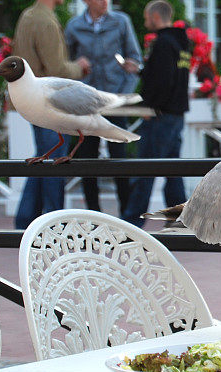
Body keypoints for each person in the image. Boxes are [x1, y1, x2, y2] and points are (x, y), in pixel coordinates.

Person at [12, 0, 91, 229]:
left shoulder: (27, 16)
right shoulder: (45, 21)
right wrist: (80, 66)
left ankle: (25, 221)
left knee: (43, 159)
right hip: (49, 103)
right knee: (55, 163)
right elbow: (57, 69)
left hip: (31, 99)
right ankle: (56, 225)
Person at [65, 0, 142, 214]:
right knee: (87, 161)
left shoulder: (121, 21)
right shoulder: (74, 26)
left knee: (120, 160)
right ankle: (93, 215)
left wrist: (124, 94)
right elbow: (66, 65)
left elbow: (134, 59)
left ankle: (126, 217)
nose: (105, 2)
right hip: (86, 104)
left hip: (114, 102)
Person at [123, 0, 189, 227]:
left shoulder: (162, 44)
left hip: (160, 116)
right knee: (172, 170)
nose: (144, 21)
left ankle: (131, 223)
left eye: (146, 17)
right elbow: (169, 76)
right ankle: (178, 220)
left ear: (155, 16)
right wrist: (141, 70)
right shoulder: (181, 43)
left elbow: (162, 82)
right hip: (176, 114)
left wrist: (150, 108)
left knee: (145, 170)